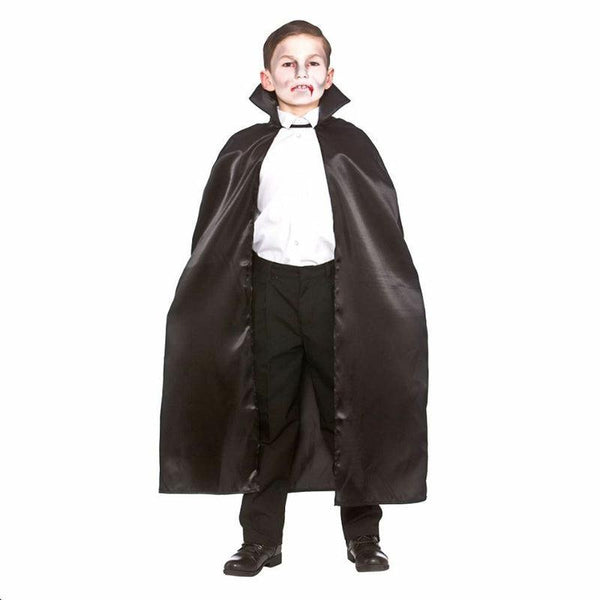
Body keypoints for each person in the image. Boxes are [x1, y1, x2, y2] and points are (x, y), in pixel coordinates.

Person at [158, 20, 429, 576]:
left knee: (346, 405)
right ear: (267, 76)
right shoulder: (244, 147)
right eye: (288, 63)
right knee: (268, 413)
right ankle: (261, 540)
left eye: (312, 64)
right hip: (267, 290)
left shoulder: (354, 146)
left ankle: (364, 536)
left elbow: (379, 229)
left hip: (339, 289)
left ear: (329, 76)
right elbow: (218, 229)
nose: (300, 73)